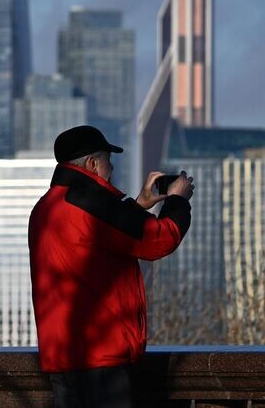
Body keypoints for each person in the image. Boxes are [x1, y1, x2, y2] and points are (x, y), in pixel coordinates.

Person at [29, 125, 194, 408]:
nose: (112, 168)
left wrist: (138, 206)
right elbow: (159, 240)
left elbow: (96, 241)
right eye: (108, 160)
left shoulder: (46, 207)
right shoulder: (91, 203)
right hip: (101, 359)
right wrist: (178, 200)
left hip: (62, 360)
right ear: (93, 164)